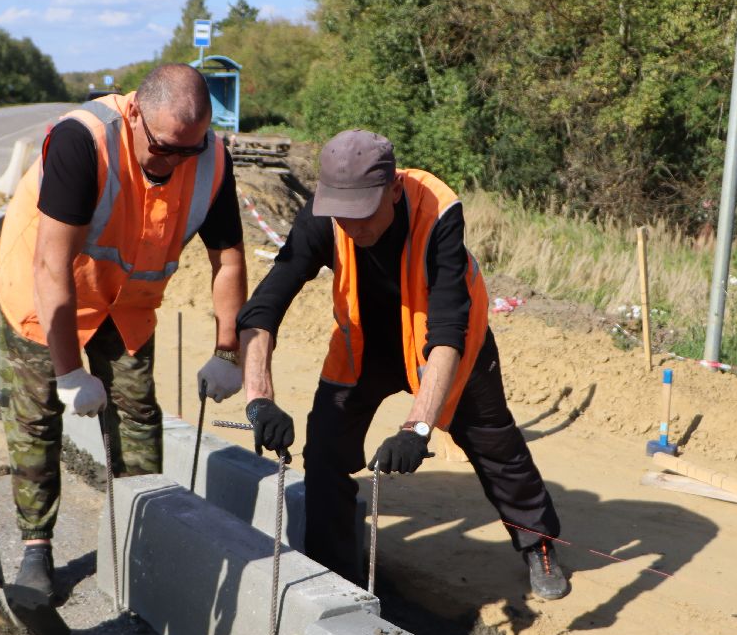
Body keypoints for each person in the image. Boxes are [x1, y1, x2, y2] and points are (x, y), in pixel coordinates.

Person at [236, 130, 570, 600]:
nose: (352, 228)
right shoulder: (322, 217)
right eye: (342, 217)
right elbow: (264, 306)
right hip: (366, 343)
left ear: (393, 190)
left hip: (446, 341)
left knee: (494, 443)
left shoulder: (438, 212)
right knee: (325, 450)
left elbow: (449, 330)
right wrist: (258, 399)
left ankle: (540, 543)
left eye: (364, 215)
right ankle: (335, 576)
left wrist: (417, 428)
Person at [0, 64, 247, 604]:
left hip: (126, 301)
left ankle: (142, 537)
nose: (175, 162)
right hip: (44, 294)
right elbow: (50, 266)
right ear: (135, 114)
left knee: (137, 412)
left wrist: (229, 349)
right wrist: (68, 372)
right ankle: (36, 549)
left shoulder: (211, 160)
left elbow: (228, 260)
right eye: (164, 148)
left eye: (189, 151)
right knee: (37, 418)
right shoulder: (81, 141)